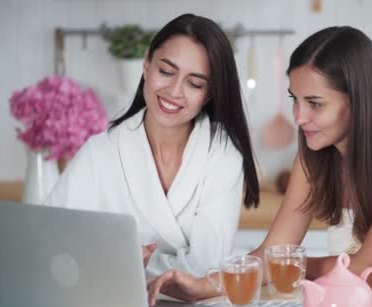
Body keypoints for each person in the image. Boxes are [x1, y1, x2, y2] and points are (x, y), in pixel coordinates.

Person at [147, 26, 372, 305]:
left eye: (315, 103)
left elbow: (367, 270)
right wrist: (201, 286)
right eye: (295, 99)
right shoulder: (314, 158)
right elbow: (274, 251)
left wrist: (293, 266)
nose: (299, 117)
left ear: (358, 100)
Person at [45, 13, 259, 278]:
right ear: (146, 64)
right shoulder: (101, 152)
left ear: (209, 93)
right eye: (166, 71)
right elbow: (49, 241)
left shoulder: (221, 152)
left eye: (194, 83)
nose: (174, 91)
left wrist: (120, 262)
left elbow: (208, 266)